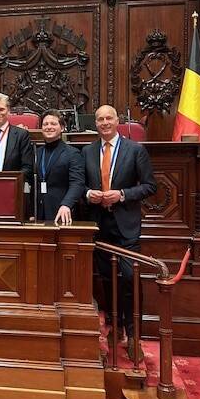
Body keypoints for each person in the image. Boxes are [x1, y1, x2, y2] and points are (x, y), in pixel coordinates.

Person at [83, 104, 157, 362]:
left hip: (126, 226)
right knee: (107, 279)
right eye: (100, 119)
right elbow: (82, 184)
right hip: (100, 224)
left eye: (108, 118)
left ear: (117, 121)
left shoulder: (135, 150)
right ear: (96, 123)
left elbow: (150, 186)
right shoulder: (88, 151)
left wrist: (123, 194)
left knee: (130, 278)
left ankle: (134, 335)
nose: (104, 123)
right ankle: (115, 326)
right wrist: (88, 194)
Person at [36, 109, 84, 225]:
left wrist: (66, 204)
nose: (49, 127)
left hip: (62, 211)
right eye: (45, 124)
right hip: (38, 212)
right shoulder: (37, 152)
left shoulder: (73, 153)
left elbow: (77, 183)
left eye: (53, 124)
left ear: (62, 128)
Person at [0, 93, 34, 184]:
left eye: (1, 109)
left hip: (12, 187)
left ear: (8, 111)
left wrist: (12, 182)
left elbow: (27, 167)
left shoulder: (21, 135)